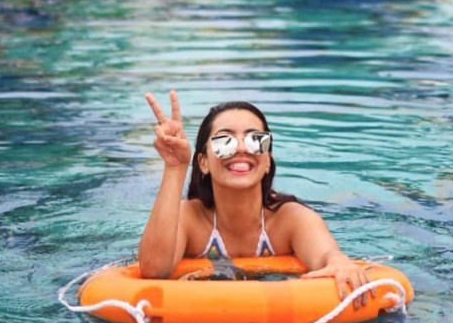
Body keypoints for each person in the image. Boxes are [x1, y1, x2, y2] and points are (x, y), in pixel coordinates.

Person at [139, 90, 373, 305]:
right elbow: (153, 270)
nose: (242, 148)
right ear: (203, 162)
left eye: (255, 139)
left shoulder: (290, 220)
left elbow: (327, 256)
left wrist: (340, 261)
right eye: (225, 141)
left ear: (268, 159)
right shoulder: (189, 219)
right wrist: (175, 168)